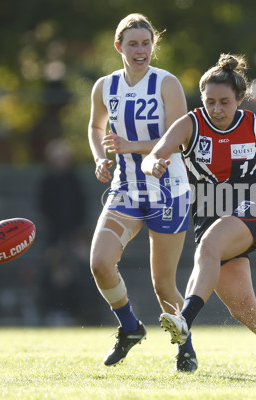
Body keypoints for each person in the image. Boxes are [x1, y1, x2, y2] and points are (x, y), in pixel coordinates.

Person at [142, 53, 256, 383]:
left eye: (224, 102)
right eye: (210, 101)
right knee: (245, 311)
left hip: (250, 209)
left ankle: (184, 319)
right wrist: (152, 165)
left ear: (240, 99)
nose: (216, 109)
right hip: (208, 217)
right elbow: (155, 153)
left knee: (209, 247)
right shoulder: (190, 124)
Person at [87, 13, 196, 372]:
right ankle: (130, 327)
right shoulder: (105, 86)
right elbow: (94, 126)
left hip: (168, 191)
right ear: (118, 47)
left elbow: (179, 140)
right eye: (132, 44)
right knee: (100, 262)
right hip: (127, 190)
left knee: (163, 285)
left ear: (153, 45)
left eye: (146, 43)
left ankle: (185, 347)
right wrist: (101, 158)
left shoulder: (166, 83)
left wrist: (130, 146)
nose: (140, 50)